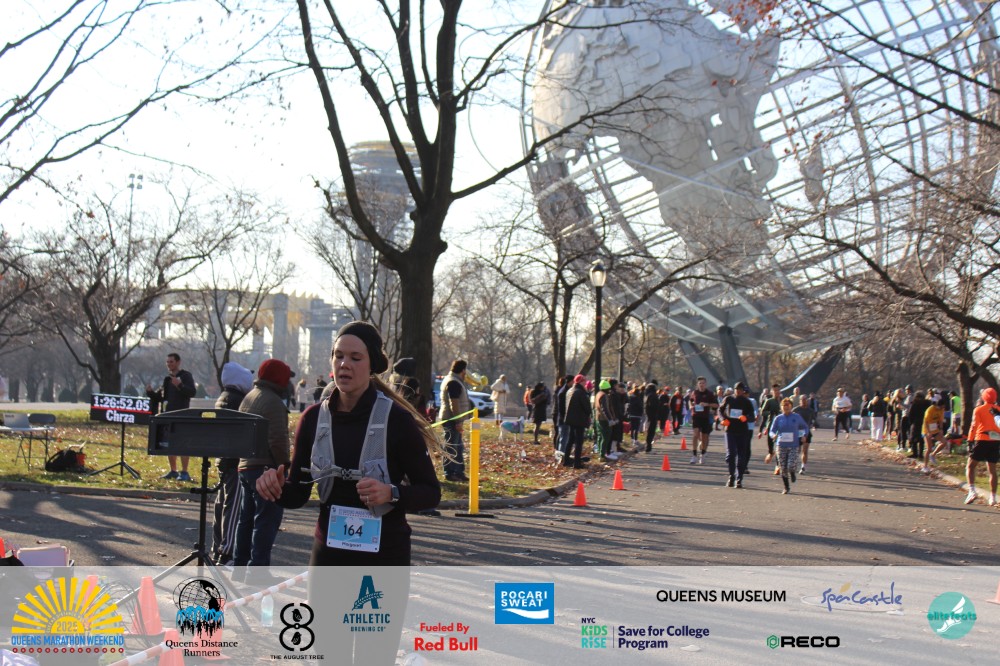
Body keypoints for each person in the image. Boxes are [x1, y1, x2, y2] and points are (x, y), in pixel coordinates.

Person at [256, 322, 441, 665]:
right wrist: (275, 487)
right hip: (329, 559)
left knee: (374, 658)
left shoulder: (396, 420)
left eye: (356, 358)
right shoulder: (313, 419)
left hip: (383, 560)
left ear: (372, 366)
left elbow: (431, 492)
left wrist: (391, 493)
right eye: (339, 356)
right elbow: (297, 493)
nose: (345, 364)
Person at [232, 358, 294, 585]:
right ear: (279, 379)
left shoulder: (249, 397)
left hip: (245, 465)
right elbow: (278, 439)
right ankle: (257, 571)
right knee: (266, 521)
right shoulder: (274, 402)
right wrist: (284, 467)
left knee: (246, 520)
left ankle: (240, 568)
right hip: (266, 468)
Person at [211, 361, 254, 567]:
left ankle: (217, 546)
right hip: (235, 459)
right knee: (233, 506)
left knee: (221, 504)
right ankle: (226, 552)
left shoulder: (223, 398)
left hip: (223, 458)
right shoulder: (238, 401)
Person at [146, 352, 197, 481]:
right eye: (167, 362)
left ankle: (184, 472)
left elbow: (192, 392)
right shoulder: (167, 379)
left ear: (178, 362)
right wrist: (150, 393)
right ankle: (173, 471)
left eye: (171, 362)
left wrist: (179, 385)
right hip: (168, 415)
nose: (169, 364)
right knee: (169, 443)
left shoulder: (186, 376)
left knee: (183, 444)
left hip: (182, 416)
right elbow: (161, 397)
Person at [964, 387, 1000, 506]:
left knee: (970, 466)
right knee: (992, 470)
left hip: (982, 439)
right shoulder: (998, 410)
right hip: (995, 440)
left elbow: (974, 425)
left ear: (983, 397)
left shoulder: (979, 409)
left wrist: (970, 440)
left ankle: (972, 490)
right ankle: (993, 497)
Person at [768, 398, 810, 494]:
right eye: (784, 405)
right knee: (783, 467)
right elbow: (772, 430)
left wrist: (804, 435)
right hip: (781, 445)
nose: (786, 407)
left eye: (788, 405)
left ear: (791, 406)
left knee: (791, 465)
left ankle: (792, 472)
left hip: (793, 445)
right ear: (781, 407)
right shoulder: (778, 418)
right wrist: (773, 435)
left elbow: (805, 427)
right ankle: (786, 487)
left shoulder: (796, 417)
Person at [439, 359, 472, 482]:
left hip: (454, 418)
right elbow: (454, 403)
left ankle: (458, 472)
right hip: (451, 419)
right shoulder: (453, 382)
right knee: (451, 447)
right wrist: (458, 421)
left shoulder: (454, 380)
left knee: (458, 446)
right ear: (463, 370)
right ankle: (450, 472)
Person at [720, 382, 755, 488]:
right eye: (737, 389)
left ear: (743, 391)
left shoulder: (746, 401)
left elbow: (752, 416)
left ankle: (739, 479)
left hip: (742, 431)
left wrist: (746, 418)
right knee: (731, 455)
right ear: (734, 390)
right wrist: (723, 419)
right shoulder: (728, 399)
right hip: (730, 430)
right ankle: (731, 476)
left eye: (740, 389)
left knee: (741, 455)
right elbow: (720, 410)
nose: (738, 391)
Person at [562, 374, 591, 468]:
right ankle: (577, 463)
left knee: (570, 440)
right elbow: (587, 407)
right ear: (581, 381)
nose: (585, 382)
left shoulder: (569, 391)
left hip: (570, 419)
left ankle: (566, 460)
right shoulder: (581, 392)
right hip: (579, 419)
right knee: (579, 441)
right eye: (584, 381)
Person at [690, 377, 717, 463]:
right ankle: (694, 455)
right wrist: (691, 406)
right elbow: (690, 401)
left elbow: (716, 405)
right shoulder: (694, 392)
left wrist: (707, 404)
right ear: (698, 384)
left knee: (704, 437)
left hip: (705, 417)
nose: (701, 385)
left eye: (703, 383)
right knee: (695, 434)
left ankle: (703, 453)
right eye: (700, 383)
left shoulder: (709, 393)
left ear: (706, 384)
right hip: (696, 416)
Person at [758, 383, 782, 473]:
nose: (777, 392)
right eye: (775, 390)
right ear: (772, 392)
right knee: (771, 447)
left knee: (779, 447)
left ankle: (778, 466)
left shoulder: (782, 401)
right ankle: (771, 453)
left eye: (778, 390)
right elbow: (762, 412)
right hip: (771, 426)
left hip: (781, 427)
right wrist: (771, 413)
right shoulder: (769, 401)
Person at [922, 392, 946, 473]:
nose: (941, 409)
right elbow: (926, 422)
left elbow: (940, 420)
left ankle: (933, 454)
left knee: (944, 442)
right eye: (941, 407)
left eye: (943, 407)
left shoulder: (941, 410)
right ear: (937, 405)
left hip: (935, 429)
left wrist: (941, 429)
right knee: (929, 448)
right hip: (927, 430)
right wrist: (929, 432)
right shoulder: (930, 409)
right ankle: (925, 466)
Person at [792, 395, 816, 473]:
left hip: (807, 432)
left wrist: (814, 425)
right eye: (802, 400)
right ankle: (794, 464)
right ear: (800, 401)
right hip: (797, 432)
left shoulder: (810, 410)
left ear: (807, 401)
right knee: (797, 450)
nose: (804, 401)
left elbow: (814, 420)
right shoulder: (796, 410)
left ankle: (803, 467)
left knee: (805, 450)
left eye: (805, 400)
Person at [644, 382, 659, 453]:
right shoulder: (653, 395)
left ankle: (649, 447)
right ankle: (648, 448)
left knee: (650, 431)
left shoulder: (648, 395)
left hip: (650, 415)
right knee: (651, 432)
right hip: (652, 415)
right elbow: (653, 406)